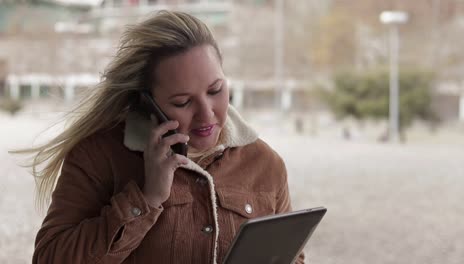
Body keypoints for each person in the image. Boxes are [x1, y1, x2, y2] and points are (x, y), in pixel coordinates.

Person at [21, 10, 304, 263]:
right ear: (147, 103)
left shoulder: (265, 164)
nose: (207, 115)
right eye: (182, 102)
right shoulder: (98, 157)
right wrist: (146, 199)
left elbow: (294, 257)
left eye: (215, 90)